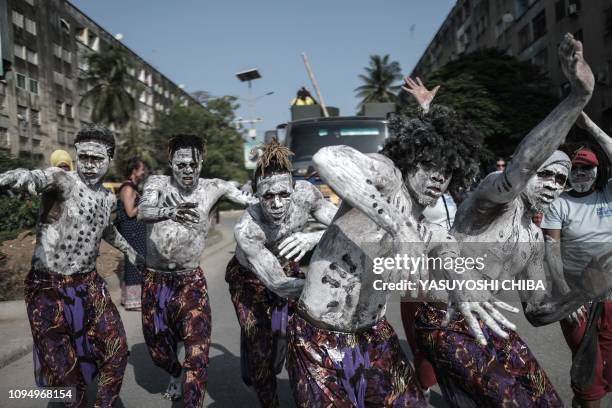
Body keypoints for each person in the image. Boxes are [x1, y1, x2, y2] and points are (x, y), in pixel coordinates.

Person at [286, 78, 514, 407]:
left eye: (447, 170)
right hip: (317, 337)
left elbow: (446, 249)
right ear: (409, 161)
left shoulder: (429, 230)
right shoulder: (388, 177)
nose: (439, 176)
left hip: (373, 337)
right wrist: (397, 225)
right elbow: (326, 159)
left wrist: (463, 284)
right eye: (430, 166)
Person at [413, 33, 594, 407]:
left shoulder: (533, 238)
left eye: (561, 180)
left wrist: (582, 292)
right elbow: (522, 164)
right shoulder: (492, 199)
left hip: (489, 323)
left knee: (546, 400)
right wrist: (577, 98)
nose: (553, 185)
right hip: (444, 318)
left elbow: (538, 310)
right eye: (547, 175)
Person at [0, 124, 143, 407]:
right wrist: (16, 177)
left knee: (116, 352)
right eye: (84, 157)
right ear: (76, 155)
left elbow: (107, 231)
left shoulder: (105, 198)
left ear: (109, 159)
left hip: (89, 285)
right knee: (66, 380)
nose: (89, 164)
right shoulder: (62, 181)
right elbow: (32, 177)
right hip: (48, 290)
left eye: (97, 158)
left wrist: (135, 254)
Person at [137, 134, 256, 407]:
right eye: (181, 164)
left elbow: (248, 199)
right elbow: (143, 211)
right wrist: (170, 210)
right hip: (156, 281)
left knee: (197, 352)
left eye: (193, 164)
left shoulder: (213, 187)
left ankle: (192, 401)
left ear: (200, 163)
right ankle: (174, 373)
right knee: (157, 348)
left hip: (191, 281)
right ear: (171, 163)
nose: (187, 169)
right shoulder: (157, 183)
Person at [226, 139, 337, 407]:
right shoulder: (248, 229)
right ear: (256, 194)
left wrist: (313, 238)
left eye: (283, 194)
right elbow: (279, 284)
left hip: (287, 267)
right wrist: (330, 290)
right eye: (267, 196)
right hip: (251, 279)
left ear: (293, 188)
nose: (276, 203)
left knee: (302, 336)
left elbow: (343, 225)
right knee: (260, 347)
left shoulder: (306, 195)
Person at [542, 113, 612, 408]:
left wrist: (590, 128)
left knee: (605, 371)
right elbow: (550, 251)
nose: (581, 173)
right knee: (589, 373)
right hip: (576, 299)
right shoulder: (558, 203)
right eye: (577, 168)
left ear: (598, 171)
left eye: (588, 168)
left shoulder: (608, 194)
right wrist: (566, 294)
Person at [116, 156, 147, 311]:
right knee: (135, 264)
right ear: (134, 171)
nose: (143, 172)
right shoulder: (128, 188)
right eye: (141, 169)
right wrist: (145, 202)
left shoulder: (133, 187)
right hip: (132, 232)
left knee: (136, 263)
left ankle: (129, 298)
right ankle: (133, 301)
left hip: (136, 232)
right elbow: (130, 212)